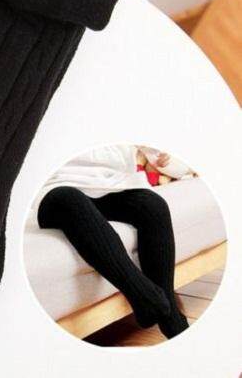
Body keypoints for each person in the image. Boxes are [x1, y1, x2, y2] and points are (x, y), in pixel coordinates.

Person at [35, 144, 189, 338]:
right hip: (57, 190)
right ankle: (145, 298)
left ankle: (171, 317)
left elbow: (177, 168)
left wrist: (166, 160)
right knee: (69, 198)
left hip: (113, 186)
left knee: (153, 205)